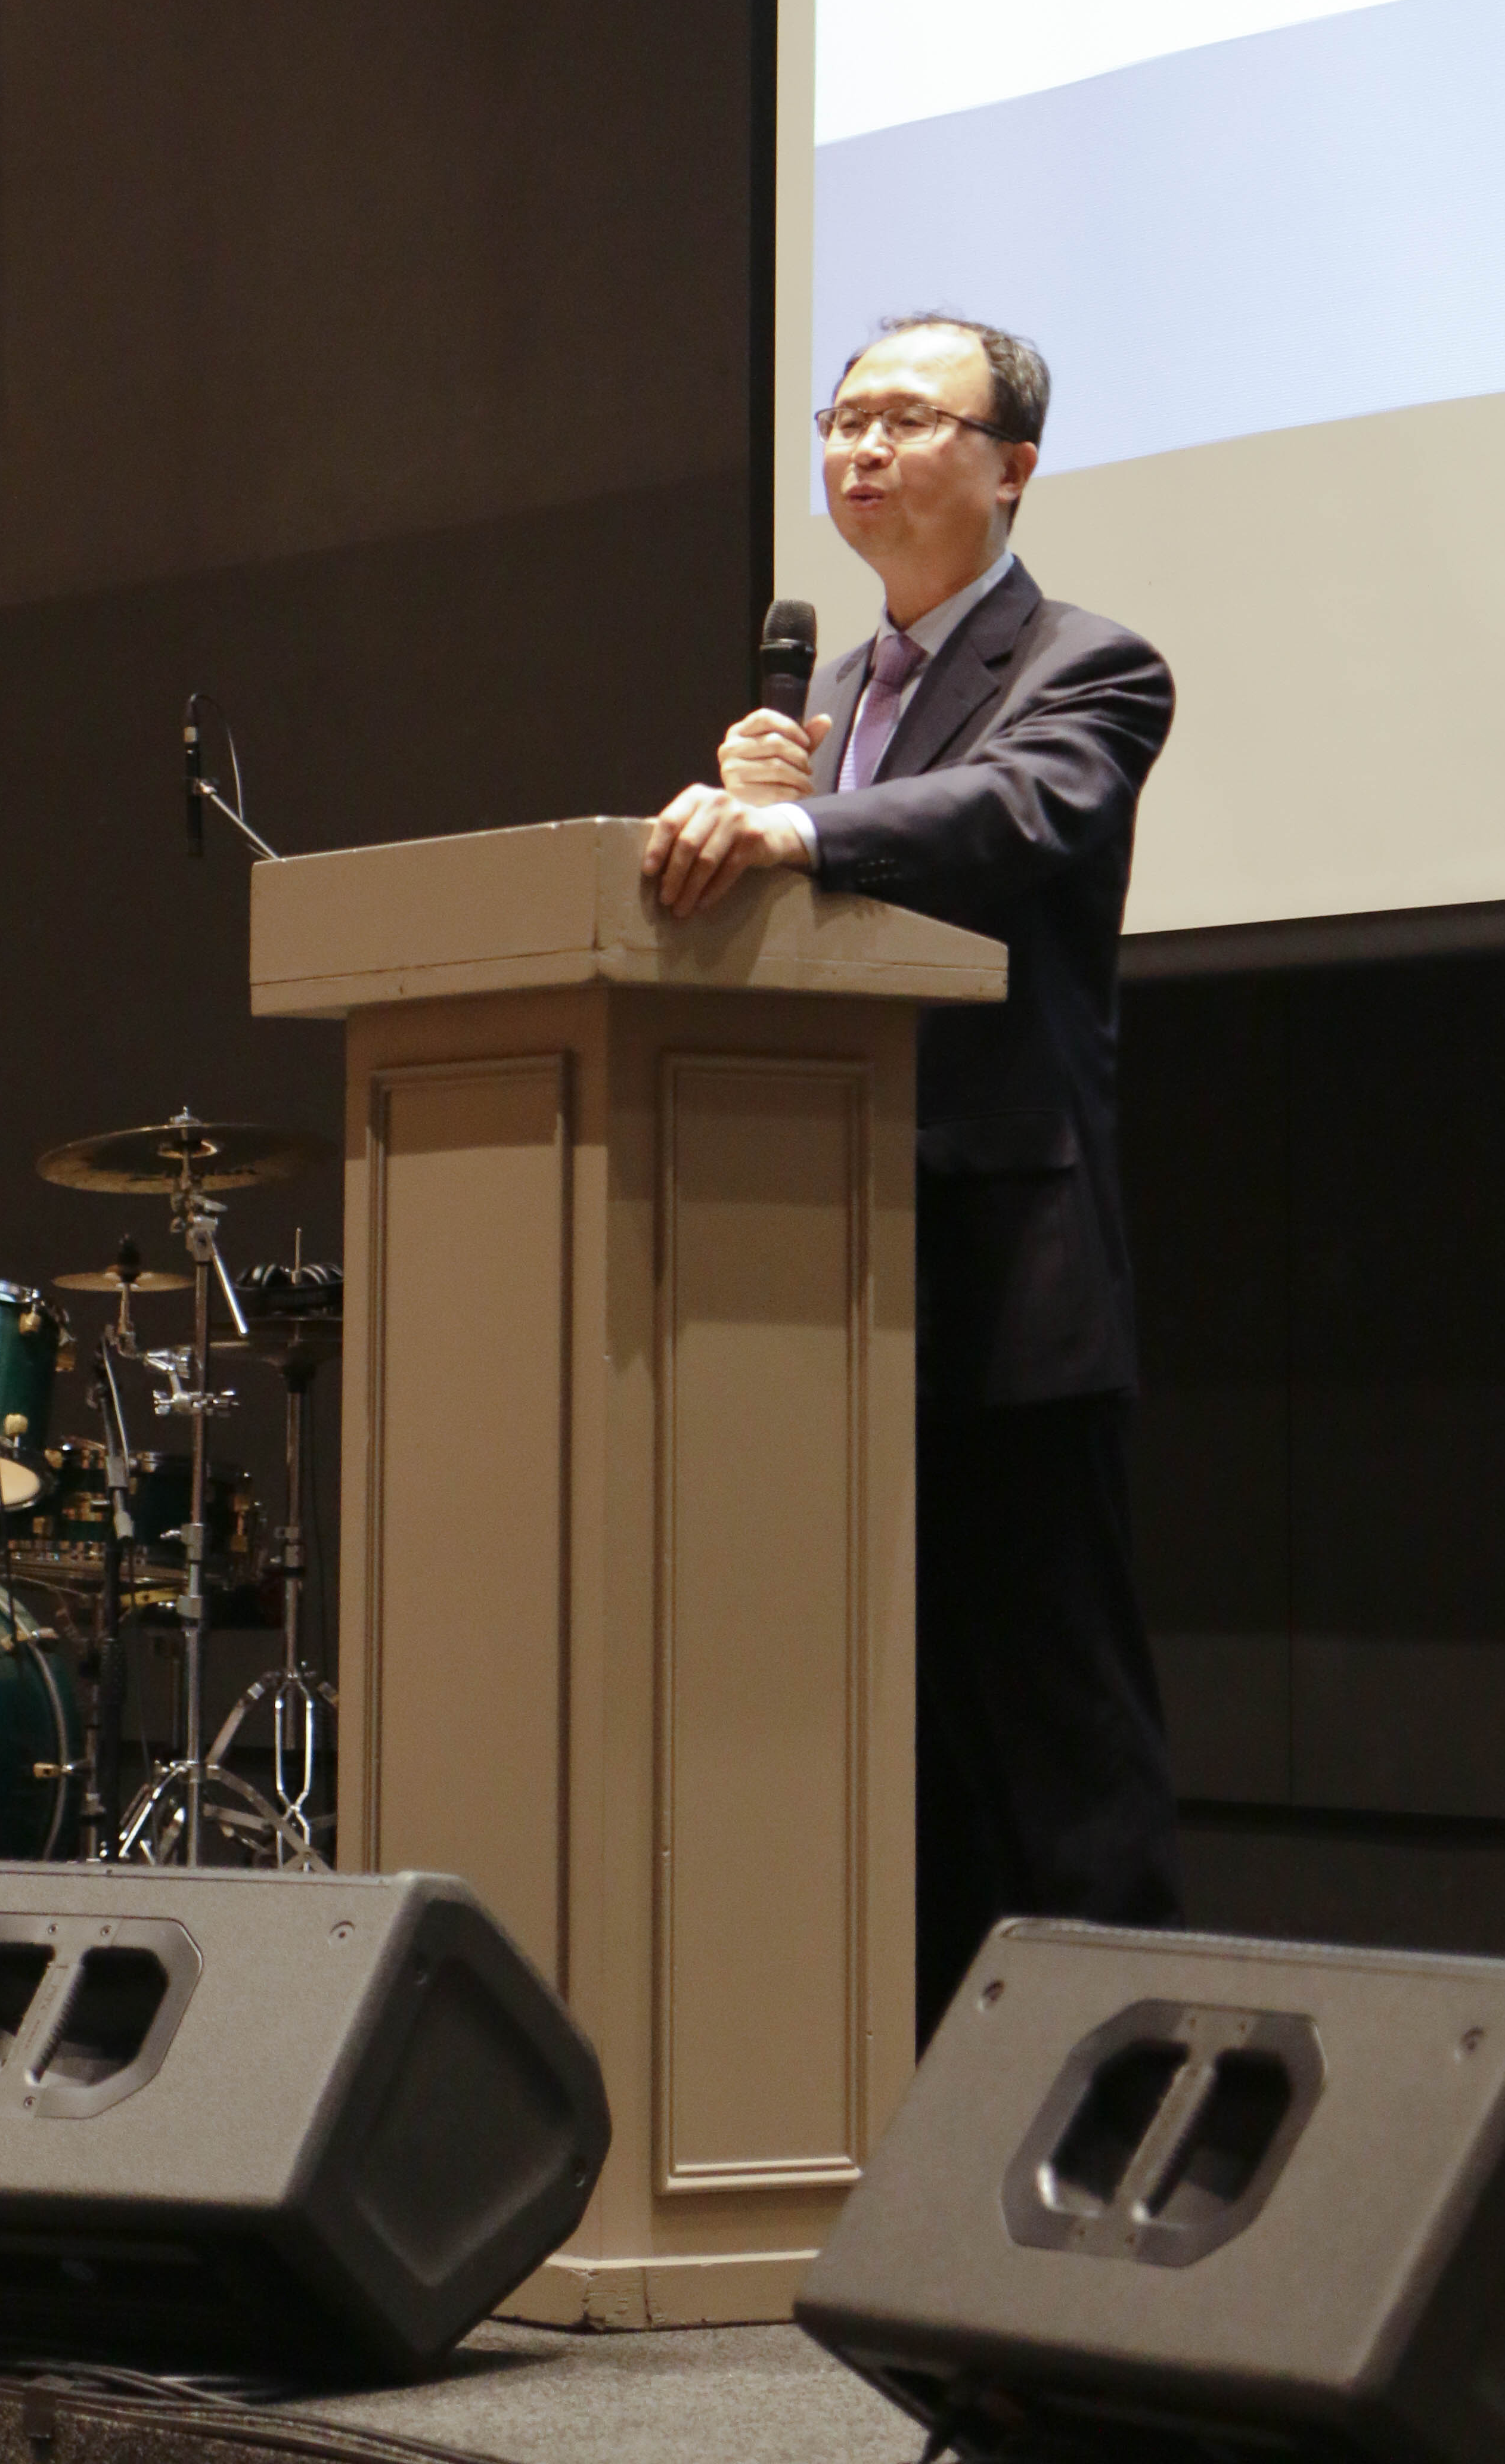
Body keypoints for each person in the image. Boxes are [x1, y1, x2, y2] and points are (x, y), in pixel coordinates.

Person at [642, 312, 1181, 2034]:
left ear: (1011, 466)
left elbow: (1016, 816)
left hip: (1006, 1268)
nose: (860, 448)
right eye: (843, 417)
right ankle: (931, 2089)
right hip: (824, 1263)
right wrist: (756, 812)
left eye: (905, 419)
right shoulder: (823, 700)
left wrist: (798, 831)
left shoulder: (1091, 666)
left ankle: (1132, 2093)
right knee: (897, 1729)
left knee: (1057, 1729)